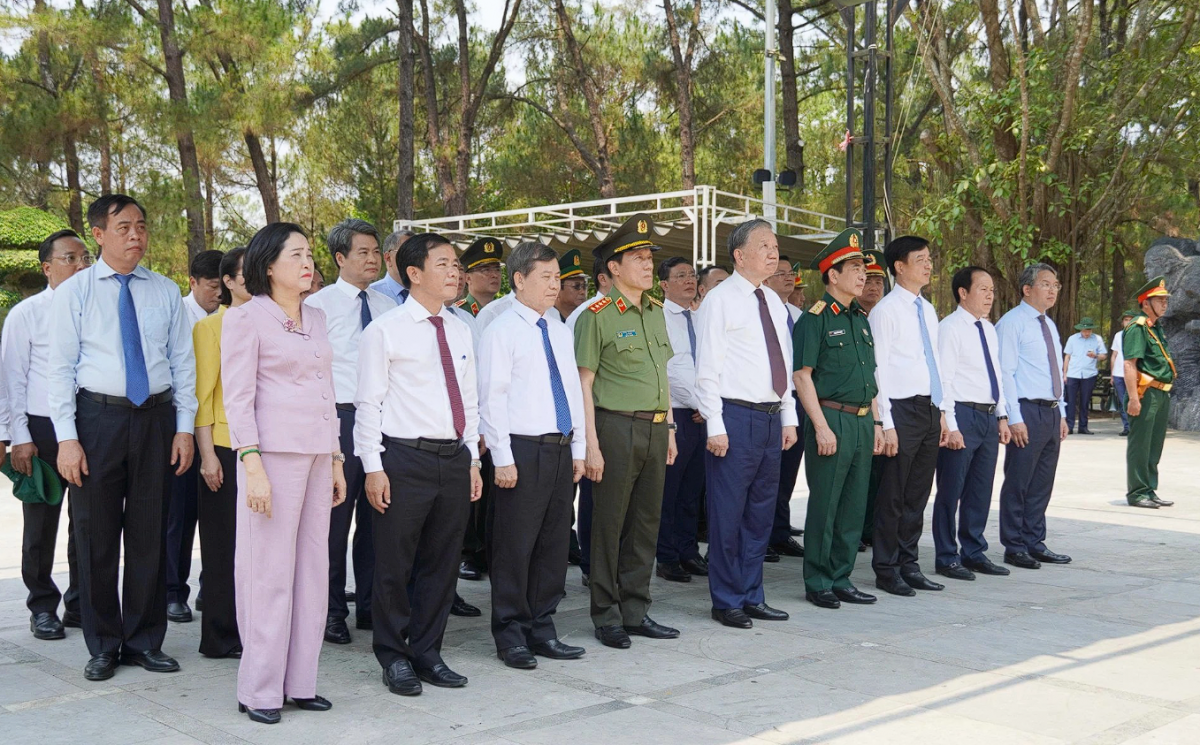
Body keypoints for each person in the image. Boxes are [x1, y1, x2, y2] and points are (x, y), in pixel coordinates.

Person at [48, 194, 197, 682]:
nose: (136, 235)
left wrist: (184, 429)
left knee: (150, 532)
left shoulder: (165, 291)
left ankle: (144, 640)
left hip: (155, 419)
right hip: (98, 421)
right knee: (95, 535)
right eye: (123, 227)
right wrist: (67, 439)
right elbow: (60, 370)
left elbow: (182, 366)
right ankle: (104, 643)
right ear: (98, 234)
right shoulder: (76, 292)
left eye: (142, 226)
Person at [222, 222, 345, 723]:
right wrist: (251, 464)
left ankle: (301, 682)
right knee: (267, 574)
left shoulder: (316, 316)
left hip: (318, 455)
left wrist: (336, 458)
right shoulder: (246, 318)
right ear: (268, 265)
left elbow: (327, 388)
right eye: (296, 253)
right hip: (271, 457)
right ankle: (259, 689)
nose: (308, 261)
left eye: (310, 253)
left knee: (313, 573)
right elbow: (239, 396)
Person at [355, 232, 483, 696]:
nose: (456, 272)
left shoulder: (460, 328)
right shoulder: (384, 331)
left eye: (456, 265)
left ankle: (429, 651)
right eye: (445, 264)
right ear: (414, 273)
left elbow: (468, 398)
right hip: (403, 458)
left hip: (454, 458)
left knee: (443, 562)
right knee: (394, 563)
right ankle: (393, 656)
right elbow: (368, 403)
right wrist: (373, 467)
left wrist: (472, 459)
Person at [479, 241, 587, 669]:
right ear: (519, 280)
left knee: (553, 543)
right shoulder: (501, 331)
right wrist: (502, 457)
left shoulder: (559, 329)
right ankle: (511, 634)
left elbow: (573, 394)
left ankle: (543, 627)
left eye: (557, 277)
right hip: (521, 449)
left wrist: (578, 447)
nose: (554, 284)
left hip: (559, 449)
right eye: (546, 277)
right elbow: (492, 398)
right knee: (514, 547)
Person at [574, 213, 678, 649]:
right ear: (614, 268)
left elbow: (663, 375)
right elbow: (584, 383)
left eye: (649, 257)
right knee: (609, 524)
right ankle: (606, 614)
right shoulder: (596, 315)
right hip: (614, 426)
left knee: (645, 523)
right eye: (637, 257)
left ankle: (636, 609)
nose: (647, 264)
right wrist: (591, 445)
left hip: (655, 428)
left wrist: (670, 429)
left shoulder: (656, 311)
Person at [695, 220, 798, 629]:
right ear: (739, 255)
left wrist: (788, 417)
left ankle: (753, 593)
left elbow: (784, 365)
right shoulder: (720, 300)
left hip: (772, 418)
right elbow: (707, 368)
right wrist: (715, 425)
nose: (773, 253)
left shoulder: (772, 301)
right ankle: (726, 599)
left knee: (760, 514)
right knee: (728, 513)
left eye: (774, 246)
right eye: (764, 246)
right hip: (734, 417)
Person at [304, 219, 395, 646]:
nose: (373, 259)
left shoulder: (387, 307)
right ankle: (330, 612)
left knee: (378, 519)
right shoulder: (316, 307)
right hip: (337, 422)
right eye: (363, 252)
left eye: (376, 252)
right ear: (340, 258)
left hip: (379, 422)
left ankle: (372, 607)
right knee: (334, 522)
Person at [3, 229, 89, 641]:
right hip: (41, 429)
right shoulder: (27, 314)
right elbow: (11, 380)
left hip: (89, 425)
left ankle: (79, 602)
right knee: (41, 521)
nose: (80, 265)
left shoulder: (93, 309)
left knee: (88, 521)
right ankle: (42, 605)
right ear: (47, 267)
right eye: (70, 258)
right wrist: (19, 436)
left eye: (84, 258)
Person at [793, 228, 882, 609]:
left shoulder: (860, 319)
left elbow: (870, 377)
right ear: (833, 275)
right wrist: (821, 426)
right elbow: (802, 376)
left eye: (864, 268)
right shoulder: (813, 319)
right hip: (831, 418)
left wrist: (877, 423)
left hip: (862, 421)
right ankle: (818, 580)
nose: (864, 275)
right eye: (856, 268)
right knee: (826, 504)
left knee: (853, 504)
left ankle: (842, 576)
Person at [868, 235, 947, 597]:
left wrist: (943, 412)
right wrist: (885, 422)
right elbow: (877, 369)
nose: (928, 265)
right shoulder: (886, 311)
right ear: (899, 266)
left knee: (918, 492)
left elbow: (935, 363)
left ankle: (908, 563)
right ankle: (886, 567)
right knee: (894, 494)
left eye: (929, 258)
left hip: (929, 409)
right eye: (920, 259)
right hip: (900, 409)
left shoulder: (926, 309)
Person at [931, 267, 1012, 581]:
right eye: (983, 289)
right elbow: (945, 380)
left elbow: (997, 376)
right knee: (951, 489)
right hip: (961, 414)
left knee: (980, 489)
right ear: (963, 292)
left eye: (992, 290)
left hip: (988, 416)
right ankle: (946, 556)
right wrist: (950, 425)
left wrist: (1002, 416)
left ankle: (974, 552)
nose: (990, 296)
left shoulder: (988, 329)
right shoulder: (950, 328)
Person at [995, 263, 1072, 570]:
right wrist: (1013, 417)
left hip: (1051, 412)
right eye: (1045, 284)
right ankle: (1013, 545)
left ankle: (1034, 541)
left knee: (1042, 481)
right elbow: (1005, 373)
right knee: (1019, 480)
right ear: (1027, 289)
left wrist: (1062, 412)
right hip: (1025, 410)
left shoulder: (1049, 325)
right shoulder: (1012, 323)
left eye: (1056, 285)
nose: (1052, 290)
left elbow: (1054, 373)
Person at [192, 247, 249, 658]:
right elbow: (202, 397)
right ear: (227, 282)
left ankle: (253, 631)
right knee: (221, 546)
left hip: (265, 448)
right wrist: (208, 455)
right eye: (244, 274)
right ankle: (219, 635)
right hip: (225, 449)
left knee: (257, 549)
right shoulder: (211, 328)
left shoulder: (274, 323)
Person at [167, 248, 224, 625]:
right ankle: (173, 591)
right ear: (193, 282)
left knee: (216, 516)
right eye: (211, 286)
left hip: (219, 432)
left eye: (223, 286)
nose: (218, 293)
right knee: (180, 515)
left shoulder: (232, 318)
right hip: (181, 428)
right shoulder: (177, 314)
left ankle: (211, 585)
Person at [655, 257, 709, 583]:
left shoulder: (701, 317)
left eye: (692, 275)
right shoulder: (657, 317)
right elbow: (671, 371)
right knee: (669, 492)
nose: (689, 280)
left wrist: (710, 406)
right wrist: (703, 403)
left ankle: (689, 552)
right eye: (680, 276)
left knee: (693, 490)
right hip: (676, 414)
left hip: (703, 415)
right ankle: (667, 556)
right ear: (663, 284)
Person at [761, 254, 806, 561]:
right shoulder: (760, 310)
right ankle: (761, 535)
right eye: (781, 273)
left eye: (791, 273)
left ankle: (780, 531)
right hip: (768, 402)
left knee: (788, 471)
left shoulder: (800, 315)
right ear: (766, 278)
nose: (788, 278)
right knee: (766, 474)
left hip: (797, 399)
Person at [1123, 277, 1176, 509]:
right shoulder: (1137, 327)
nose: (1165, 304)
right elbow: (1129, 364)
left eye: (1165, 300)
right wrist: (1134, 398)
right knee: (1140, 444)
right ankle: (1137, 492)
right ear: (1146, 303)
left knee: (1154, 445)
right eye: (1160, 300)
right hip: (1145, 393)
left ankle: (1149, 489)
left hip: (1161, 394)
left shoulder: (1156, 327)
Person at [858, 248, 888, 549]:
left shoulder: (885, 315)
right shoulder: (851, 316)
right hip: (852, 408)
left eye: (879, 281)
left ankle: (869, 528)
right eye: (868, 279)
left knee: (877, 474)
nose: (874, 286)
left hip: (880, 408)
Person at [1062, 317, 1107, 435]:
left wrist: (1096, 356)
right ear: (1080, 329)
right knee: (1070, 401)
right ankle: (1069, 426)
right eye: (1085, 330)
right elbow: (1067, 356)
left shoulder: (1097, 339)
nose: (1087, 333)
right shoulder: (1072, 339)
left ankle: (1083, 426)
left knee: (1085, 401)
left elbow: (1104, 355)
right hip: (1073, 373)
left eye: (1089, 330)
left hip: (1089, 374)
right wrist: (1064, 374)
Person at [459, 237, 503, 315]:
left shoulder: (503, 311)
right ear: (468, 278)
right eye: (486, 270)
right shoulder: (459, 313)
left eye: (497, 269)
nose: (495, 275)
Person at [1110, 309, 1136, 436]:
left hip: (1133, 373)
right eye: (1126, 319)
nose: (1128, 321)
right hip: (1118, 373)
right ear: (1122, 322)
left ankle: (1136, 427)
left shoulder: (1139, 334)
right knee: (1122, 401)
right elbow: (1114, 355)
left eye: (1131, 319)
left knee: (1134, 399)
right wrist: (1112, 374)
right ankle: (1127, 427)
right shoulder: (1118, 335)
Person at [566, 262, 612, 332]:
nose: (582, 292)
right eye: (618, 276)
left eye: (585, 286)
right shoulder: (582, 314)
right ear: (603, 279)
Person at [372, 229, 415, 304]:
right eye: (406, 252)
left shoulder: (428, 293)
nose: (413, 258)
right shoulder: (372, 294)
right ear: (388, 258)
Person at [555, 249, 589, 321]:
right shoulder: (545, 318)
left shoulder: (587, 319)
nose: (582, 292)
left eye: (584, 286)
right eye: (576, 286)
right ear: (557, 289)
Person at [858, 250, 887, 315]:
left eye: (878, 282)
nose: (873, 288)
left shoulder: (886, 313)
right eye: (867, 282)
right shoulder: (849, 315)